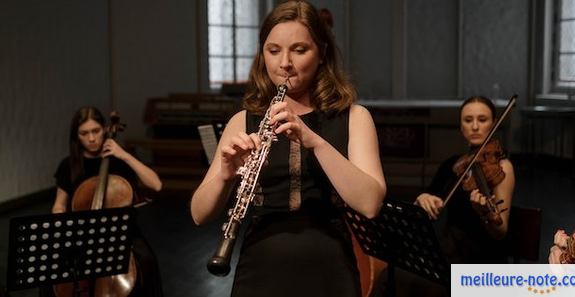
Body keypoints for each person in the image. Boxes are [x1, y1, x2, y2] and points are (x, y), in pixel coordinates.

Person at [190, 1, 386, 297]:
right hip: (260, 267)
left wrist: (315, 141)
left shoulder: (354, 118)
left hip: (328, 266)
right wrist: (225, 174)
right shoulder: (243, 120)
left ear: (321, 53)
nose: (284, 63)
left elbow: (370, 203)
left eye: (299, 50)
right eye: (273, 50)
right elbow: (199, 214)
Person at [48, 106, 164, 297]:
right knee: (52, 276)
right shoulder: (68, 165)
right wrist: (62, 228)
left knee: (146, 262)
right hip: (81, 238)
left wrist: (124, 155)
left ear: (104, 129)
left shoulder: (119, 161)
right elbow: (60, 204)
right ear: (76, 136)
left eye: (96, 131)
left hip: (121, 236)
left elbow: (156, 185)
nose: (91, 138)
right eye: (84, 133)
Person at [415, 96, 515, 263]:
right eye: (468, 120)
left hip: (483, 259)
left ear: (493, 123)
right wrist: (423, 198)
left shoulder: (502, 167)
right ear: (461, 127)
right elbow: (431, 195)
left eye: (482, 120)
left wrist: (485, 213)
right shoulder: (453, 164)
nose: (475, 126)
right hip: (450, 251)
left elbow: (500, 231)